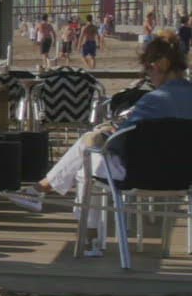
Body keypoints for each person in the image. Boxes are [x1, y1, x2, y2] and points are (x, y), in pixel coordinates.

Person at [37, 35, 192, 251]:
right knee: (88, 148)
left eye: (147, 72)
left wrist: (109, 133)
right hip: (184, 176)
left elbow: (123, 141)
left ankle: (88, 236)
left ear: (157, 67)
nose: (148, 77)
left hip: (141, 175)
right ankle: (44, 188)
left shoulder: (153, 101)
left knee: (88, 161)